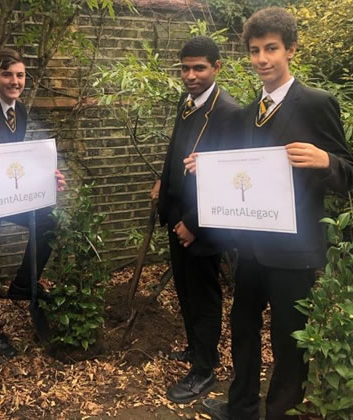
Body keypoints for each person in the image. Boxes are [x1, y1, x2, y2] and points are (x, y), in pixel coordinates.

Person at [196, 8, 353, 420]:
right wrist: (209, 166)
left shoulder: (317, 104)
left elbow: (351, 173)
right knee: (244, 328)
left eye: (271, 49)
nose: (262, 59)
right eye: (254, 51)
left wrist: (325, 160)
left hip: (294, 250)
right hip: (251, 246)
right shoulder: (249, 111)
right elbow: (243, 170)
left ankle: (280, 412)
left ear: (291, 50)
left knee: (289, 339)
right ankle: (243, 405)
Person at [155, 36, 240, 404]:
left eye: (199, 68)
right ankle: (196, 349)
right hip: (178, 215)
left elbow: (230, 176)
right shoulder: (187, 102)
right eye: (185, 68)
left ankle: (204, 370)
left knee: (204, 296)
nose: (190, 75)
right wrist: (163, 180)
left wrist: (194, 221)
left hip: (204, 223)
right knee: (186, 291)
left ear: (216, 68)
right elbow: (176, 147)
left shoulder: (229, 113)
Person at [0, 48, 66, 358]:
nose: (14, 81)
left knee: (48, 221)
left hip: (8, 194)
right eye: (7, 75)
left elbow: (15, 161)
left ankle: (22, 285)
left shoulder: (20, 111)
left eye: (20, 75)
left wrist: (45, 177)